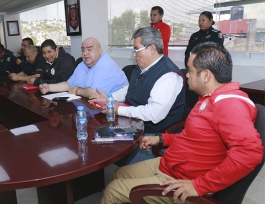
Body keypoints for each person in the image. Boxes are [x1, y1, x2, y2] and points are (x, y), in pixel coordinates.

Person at [100, 42, 264, 204]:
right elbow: (192, 137)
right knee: (120, 173)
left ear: (206, 76)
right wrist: (162, 138)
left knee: (113, 190)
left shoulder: (230, 105)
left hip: (182, 179)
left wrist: (199, 186)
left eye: (191, 71)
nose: (186, 75)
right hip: (170, 164)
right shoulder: (208, 98)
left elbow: (249, 153)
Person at [90, 27, 184, 165]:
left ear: (152, 49)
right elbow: (131, 88)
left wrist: (118, 109)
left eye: (136, 49)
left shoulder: (168, 76)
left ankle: (123, 180)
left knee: (111, 151)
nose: (134, 54)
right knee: (98, 137)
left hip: (152, 136)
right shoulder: (142, 67)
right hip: (134, 126)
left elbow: (154, 113)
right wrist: (110, 98)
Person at [39, 37, 128, 98]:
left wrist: (78, 91)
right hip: (92, 105)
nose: (85, 53)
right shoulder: (83, 64)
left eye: (89, 49)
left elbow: (96, 93)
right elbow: (69, 84)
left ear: (100, 50)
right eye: (83, 50)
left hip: (114, 110)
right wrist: (49, 87)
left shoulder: (106, 66)